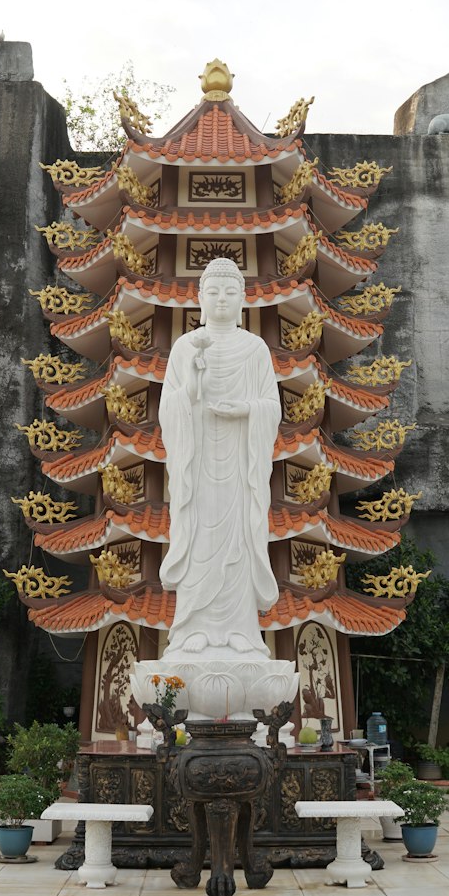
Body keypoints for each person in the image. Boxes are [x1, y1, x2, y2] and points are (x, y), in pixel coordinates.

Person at [159, 257, 280, 657]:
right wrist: (192, 381)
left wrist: (246, 410)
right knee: (198, 539)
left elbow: (271, 406)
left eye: (230, 292)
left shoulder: (255, 349)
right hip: (198, 466)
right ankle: (192, 627)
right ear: (200, 300)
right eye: (214, 292)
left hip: (241, 467)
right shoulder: (185, 348)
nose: (222, 299)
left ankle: (241, 630)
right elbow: (168, 410)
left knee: (240, 542)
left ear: (243, 300)